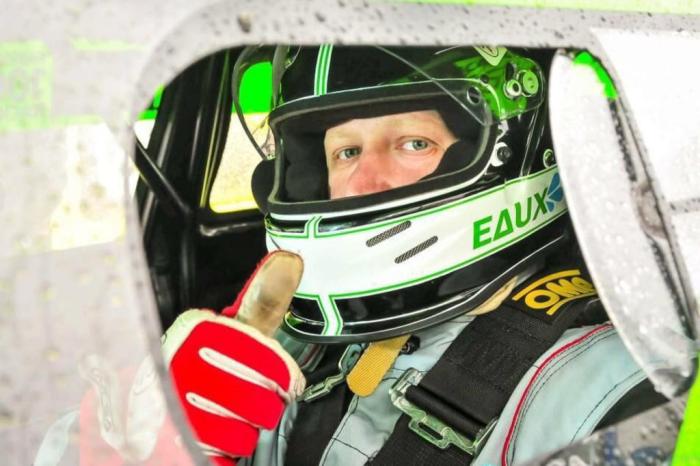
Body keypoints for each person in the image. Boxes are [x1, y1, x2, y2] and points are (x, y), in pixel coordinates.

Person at [163, 45, 669, 466]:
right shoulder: (271, 346)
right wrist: (151, 440)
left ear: (514, 155)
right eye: (345, 152)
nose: (364, 183)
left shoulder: (625, 395)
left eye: (412, 143)